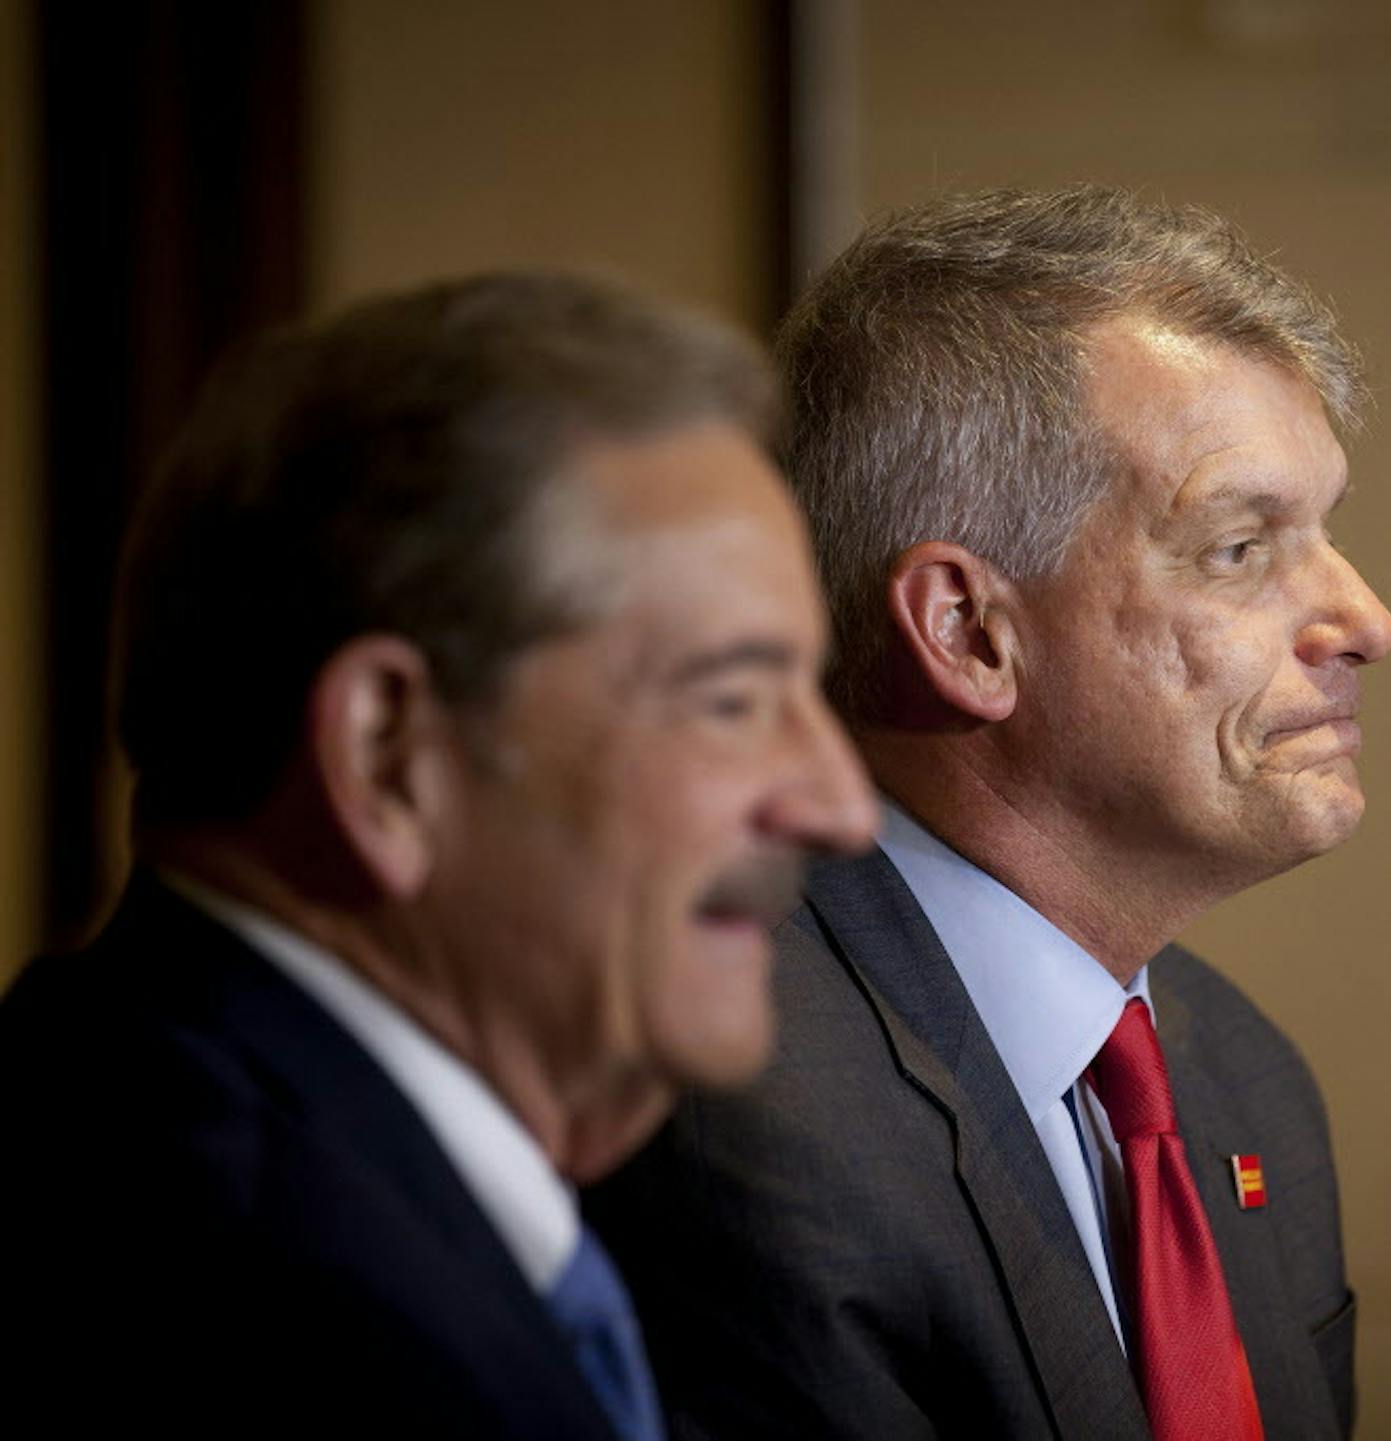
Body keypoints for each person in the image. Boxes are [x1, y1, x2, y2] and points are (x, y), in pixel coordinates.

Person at [0, 272, 877, 1438]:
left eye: (810, 698)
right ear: (387, 754)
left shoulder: (242, 1145)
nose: (839, 806)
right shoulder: (250, 1305)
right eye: (731, 700)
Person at [588, 186, 1391, 1439]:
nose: (1364, 621)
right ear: (970, 633)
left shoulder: (1249, 1084)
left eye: (1327, 532)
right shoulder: (738, 1124)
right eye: (1243, 547)